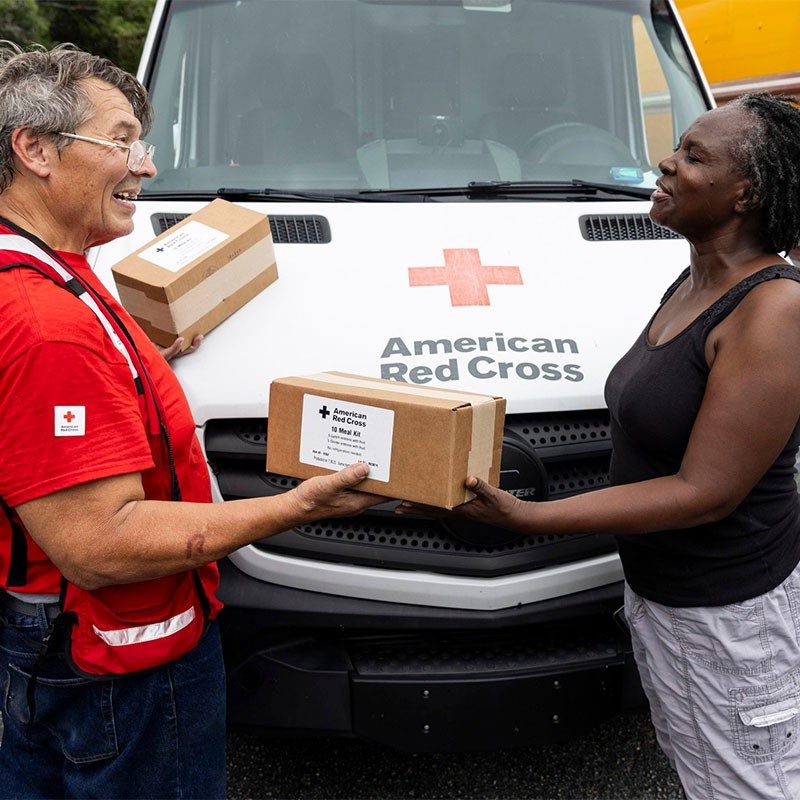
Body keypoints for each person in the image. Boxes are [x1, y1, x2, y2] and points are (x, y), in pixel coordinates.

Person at [0, 42, 381, 800]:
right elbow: (99, 546)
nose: (144, 166)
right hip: (115, 662)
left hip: (62, 649)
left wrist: (140, 364)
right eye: (119, 141)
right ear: (35, 149)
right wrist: (291, 507)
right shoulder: (44, 319)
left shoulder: (47, 273)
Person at [398, 93, 800, 799]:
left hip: (732, 617)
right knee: (704, 772)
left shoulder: (776, 309)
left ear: (751, 192)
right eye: (678, 144)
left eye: (694, 156)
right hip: (666, 600)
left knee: (752, 786)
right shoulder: (696, 280)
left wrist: (527, 521)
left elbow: (706, 493)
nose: (665, 162)